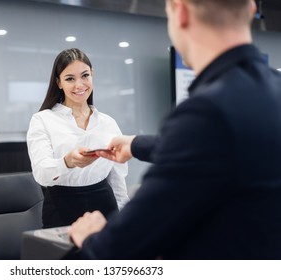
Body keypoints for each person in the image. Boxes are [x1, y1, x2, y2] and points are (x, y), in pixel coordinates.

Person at [68, 0, 281, 259]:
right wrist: (135, 144)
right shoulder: (271, 90)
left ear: (180, 12)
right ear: (249, 10)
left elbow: (121, 248)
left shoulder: (208, 111)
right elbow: (228, 148)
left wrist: (91, 236)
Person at [26, 48, 129, 228]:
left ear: (92, 75)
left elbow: (118, 177)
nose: (79, 85)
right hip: (61, 207)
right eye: (70, 79)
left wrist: (124, 215)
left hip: (105, 205)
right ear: (59, 82)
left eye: (85, 76)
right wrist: (67, 162)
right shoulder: (42, 120)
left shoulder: (108, 122)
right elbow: (41, 174)